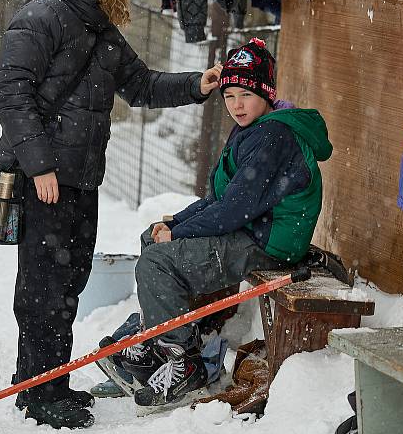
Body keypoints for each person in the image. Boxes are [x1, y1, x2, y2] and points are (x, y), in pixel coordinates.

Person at [0, 0, 223, 430]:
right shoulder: (40, 21)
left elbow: (141, 85)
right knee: (43, 287)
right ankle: (40, 389)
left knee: (69, 281)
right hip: (45, 179)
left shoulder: (104, 36)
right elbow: (11, 94)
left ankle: (43, 380)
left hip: (81, 179)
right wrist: (40, 166)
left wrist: (196, 86)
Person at [100, 38, 333, 411]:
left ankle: (184, 362)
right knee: (153, 238)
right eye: (229, 97)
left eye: (245, 94)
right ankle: (158, 339)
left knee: (156, 263)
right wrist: (175, 222)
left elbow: (232, 210)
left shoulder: (273, 135)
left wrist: (178, 232)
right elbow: (220, 200)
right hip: (252, 227)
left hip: (268, 242)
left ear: (266, 94)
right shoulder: (253, 128)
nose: (236, 105)